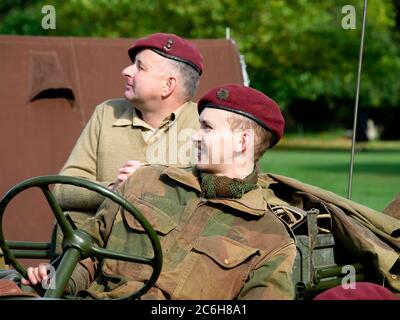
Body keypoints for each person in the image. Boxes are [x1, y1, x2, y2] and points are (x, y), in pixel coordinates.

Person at [23, 84, 297, 300]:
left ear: (243, 141)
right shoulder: (146, 181)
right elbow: (90, 250)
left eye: (208, 128)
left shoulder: (271, 238)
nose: (195, 135)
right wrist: (58, 280)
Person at [51, 32, 204, 229]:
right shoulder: (106, 113)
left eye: (140, 67)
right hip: (103, 251)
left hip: (171, 256)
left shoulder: (207, 123)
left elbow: (225, 193)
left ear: (168, 85)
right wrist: (114, 190)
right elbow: (63, 190)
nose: (126, 71)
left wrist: (154, 182)